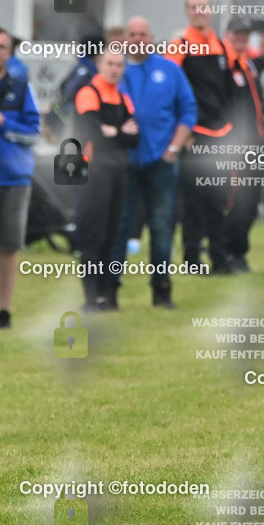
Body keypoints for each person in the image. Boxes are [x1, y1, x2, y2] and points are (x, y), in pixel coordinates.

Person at [113, 17, 197, 308]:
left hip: (161, 161)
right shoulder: (116, 70)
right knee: (120, 226)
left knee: (161, 225)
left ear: (152, 37)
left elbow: (188, 111)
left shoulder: (170, 70)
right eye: (132, 34)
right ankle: (109, 290)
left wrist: (173, 147)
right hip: (124, 162)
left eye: (143, 34)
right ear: (125, 38)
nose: (137, 39)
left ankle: (161, 290)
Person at [168, 0, 237, 274]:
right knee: (193, 200)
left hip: (220, 134)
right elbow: (169, 93)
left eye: (204, 7)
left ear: (211, 11)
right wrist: (181, 134)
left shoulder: (223, 46)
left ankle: (220, 260)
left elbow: (231, 92)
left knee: (218, 199)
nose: (200, 12)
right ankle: (192, 260)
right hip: (193, 133)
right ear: (187, 12)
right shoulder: (178, 46)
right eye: (194, 8)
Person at [74, 51, 139, 310]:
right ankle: (91, 297)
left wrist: (114, 132)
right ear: (100, 65)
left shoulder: (123, 98)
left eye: (119, 65)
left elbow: (135, 138)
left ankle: (106, 295)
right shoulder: (88, 93)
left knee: (113, 235)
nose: (114, 69)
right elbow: (92, 134)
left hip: (118, 172)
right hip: (94, 173)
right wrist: (119, 132)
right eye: (109, 64)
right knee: (94, 234)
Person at [0, 26, 40, 329]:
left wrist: (3, 120)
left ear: (9, 51)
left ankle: (4, 311)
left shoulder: (21, 86)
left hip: (13, 177)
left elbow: (33, 132)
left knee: (8, 246)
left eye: (1, 46)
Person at [223, 17, 264, 273]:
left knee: (251, 199)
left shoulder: (248, 64)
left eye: (245, 35)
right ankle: (230, 251)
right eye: (237, 34)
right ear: (228, 34)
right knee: (236, 198)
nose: (241, 39)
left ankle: (239, 249)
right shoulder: (225, 64)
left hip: (255, 144)